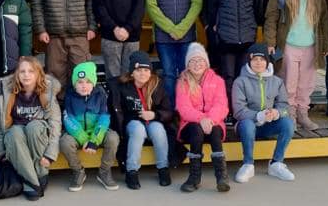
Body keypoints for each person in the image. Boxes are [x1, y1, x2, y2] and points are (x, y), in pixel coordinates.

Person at [263, 0, 328, 131]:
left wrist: (325, 44)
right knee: (289, 82)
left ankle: (303, 113)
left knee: (307, 82)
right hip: (289, 45)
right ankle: (289, 113)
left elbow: (323, 18)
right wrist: (270, 42)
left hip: (310, 45)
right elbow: (271, 18)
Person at [0, 56, 62, 201]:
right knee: (14, 132)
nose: (26, 75)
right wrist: (0, 152)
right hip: (16, 141)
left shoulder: (46, 92)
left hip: (37, 137)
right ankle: (34, 182)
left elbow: (55, 124)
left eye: (31, 71)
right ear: (17, 74)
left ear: (38, 74)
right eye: (22, 71)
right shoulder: (8, 93)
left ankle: (39, 174)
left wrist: (50, 154)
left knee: (34, 126)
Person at [206, 0, 264, 105]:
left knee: (244, 75)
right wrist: (214, 27)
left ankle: (242, 109)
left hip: (247, 37)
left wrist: (254, 26)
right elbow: (212, 8)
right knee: (228, 76)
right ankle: (228, 110)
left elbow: (258, 7)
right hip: (226, 38)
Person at [145, 0, 202, 102]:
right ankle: (170, 108)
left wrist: (181, 29)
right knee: (169, 73)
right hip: (164, 38)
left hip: (187, 36)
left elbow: (197, 3)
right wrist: (170, 29)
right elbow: (151, 6)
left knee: (187, 72)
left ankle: (186, 105)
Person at [108, 51, 175, 189]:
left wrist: (155, 115)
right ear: (132, 72)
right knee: (138, 130)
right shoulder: (122, 85)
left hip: (153, 119)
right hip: (132, 120)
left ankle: (163, 168)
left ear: (150, 72)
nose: (143, 73)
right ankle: (131, 170)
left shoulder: (157, 84)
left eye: (146, 70)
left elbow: (168, 110)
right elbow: (117, 110)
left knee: (158, 130)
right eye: (138, 70)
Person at [231, 43, 296, 183]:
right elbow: (238, 111)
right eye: (255, 60)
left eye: (262, 59)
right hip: (247, 127)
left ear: (267, 61)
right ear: (249, 61)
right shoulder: (240, 82)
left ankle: (276, 163)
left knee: (288, 124)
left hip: (267, 125)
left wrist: (276, 113)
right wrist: (258, 116)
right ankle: (248, 164)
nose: (258, 63)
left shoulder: (277, 81)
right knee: (247, 125)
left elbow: (285, 106)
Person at [175, 43, 230, 193]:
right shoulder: (182, 82)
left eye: (200, 60)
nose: (197, 64)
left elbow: (222, 106)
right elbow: (184, 109)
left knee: (216, 130)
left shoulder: (218, 81)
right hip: (191, 125)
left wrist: (210, 119)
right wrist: (201, 119)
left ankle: (221, 177)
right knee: (196, 130)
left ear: (206, 63)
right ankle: (194, 177)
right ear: (188, 64)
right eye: (193, 61)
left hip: (213, 122)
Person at [59, 61, 120, 192]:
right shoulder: (69, 95)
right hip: (77, 133)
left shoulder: (100, 94)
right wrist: (84, 140)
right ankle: (78, 171)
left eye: (88, 82)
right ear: (75, 84)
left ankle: (104, 171)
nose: (84, 86)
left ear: (94, 83)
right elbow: (69, 119)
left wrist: (94, 140)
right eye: (80, 82)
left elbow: (104, 118)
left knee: (113, 138)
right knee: (65, 141)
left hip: (96, 132)